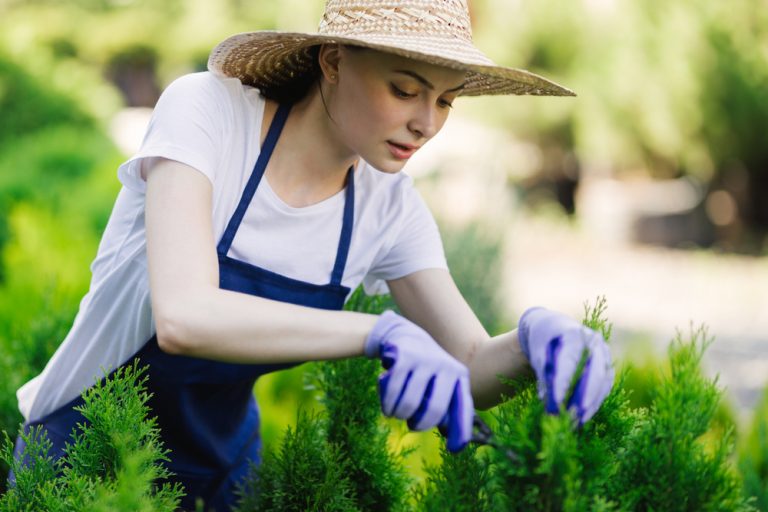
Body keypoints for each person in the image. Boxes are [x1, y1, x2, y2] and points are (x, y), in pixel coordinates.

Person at [12, 0, 615, 510]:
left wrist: (535, 343)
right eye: (404, 89)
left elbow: (471, 364)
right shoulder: (209, 114)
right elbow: (184, 316)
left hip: (224, 478)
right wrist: (375, 331)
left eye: (447, 101)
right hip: (83, 451)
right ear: (332, 61)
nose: (426, 123)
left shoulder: (389, 208)